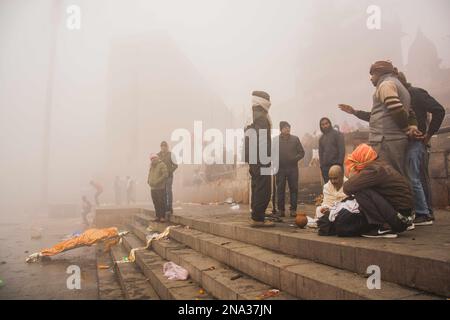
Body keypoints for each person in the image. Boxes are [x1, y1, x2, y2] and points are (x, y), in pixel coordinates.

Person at [339, 60, 420, 176]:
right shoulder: (397, 85)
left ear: (380, 73)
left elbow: (396, 109)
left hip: (386, 141)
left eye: (372, 74)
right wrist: (412, 127)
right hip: (391, 140)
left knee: (390, 177)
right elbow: (409, 112)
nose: (370, 78)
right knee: (397, 176)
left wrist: (406, 129)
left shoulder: (386, 85)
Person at [397, 72, 445, 226]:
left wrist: (429, 134)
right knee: (414, 178)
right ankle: (423, 212)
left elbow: (439, 110)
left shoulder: (416, 93)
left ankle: (425, 213)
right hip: (406, 142)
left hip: (418, 142)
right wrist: (356, 113)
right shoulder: (398, 99)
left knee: (418, 178)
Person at [343, 144, 414, 238]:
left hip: (400, 219)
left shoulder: (374, 170)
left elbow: (348, 187)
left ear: (362, 158)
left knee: (361, 191)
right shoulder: (380, 165)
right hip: (404, 218)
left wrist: (353, 176)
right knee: (362, 187)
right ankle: (383, 225)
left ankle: (382, 227)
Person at [245, 90, 274, 228]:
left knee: (256, 185)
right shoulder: (261, 117)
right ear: (263, 101)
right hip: (261, 157)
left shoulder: (251, 115)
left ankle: (256, 215)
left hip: (253, 157)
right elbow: (262, 140)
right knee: (263, 187)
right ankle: (258, 218)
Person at [274, 121, 305, 217]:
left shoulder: (295, 139)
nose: (287, 129)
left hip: (292, 168)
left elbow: (302, 153)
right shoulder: (275, 140)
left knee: (294, 189)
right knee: (280, 189)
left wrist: (294, 159)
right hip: (280, 169)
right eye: (285, 127)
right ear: (281, 129)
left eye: (288, 127)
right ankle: (281, 210)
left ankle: (293, 210)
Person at [318, 117, 345, 182]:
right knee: (328, 187)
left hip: (336, 165)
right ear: (321, 126)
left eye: (326, 123)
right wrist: (322, 166)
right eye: (323, 124)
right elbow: (320, 153)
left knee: (339, 186)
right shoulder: (321, 138)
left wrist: (339, 164)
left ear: (330, 124)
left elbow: (342, 150)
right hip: (325, 168)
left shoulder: (337, 134)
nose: (325, 126)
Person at [158, 141, 178, 216]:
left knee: (168, 191)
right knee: (163, 192)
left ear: (167, 147)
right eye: (162, 146)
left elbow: (176, 165)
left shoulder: (171, 154)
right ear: (160, 147)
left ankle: (169, 207)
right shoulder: (158, 155)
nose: (163, 147)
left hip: (169, 176)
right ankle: (165, 207)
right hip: (161, 177)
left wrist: (170, 171)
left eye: (165, 146)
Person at [147, 154, 169, 223]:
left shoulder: (162, 164)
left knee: (161, 202)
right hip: (153, 188)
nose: (153, 160)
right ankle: (157, 216)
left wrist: (157, 182)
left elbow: (165, 175)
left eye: (154, 158)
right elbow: (149, 174)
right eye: (151, 159)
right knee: (155, 202)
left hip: (160, 187)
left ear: (157, 158)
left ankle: (162, 217)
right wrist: (148, 180)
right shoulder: (151, 166)